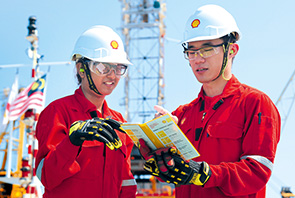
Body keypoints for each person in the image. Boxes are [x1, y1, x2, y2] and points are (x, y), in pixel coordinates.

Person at [139, 4, 281, 198]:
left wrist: (205, 174)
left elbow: (256, 172)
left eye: (206, 49)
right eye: (192, 51)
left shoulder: (256, 104)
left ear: (232, 50)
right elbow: (173, 175)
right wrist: (156, 147)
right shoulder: (181, 116)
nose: (197, 59)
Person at [35, 25, 137, 198]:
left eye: (118, 68)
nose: (112, 76)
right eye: (104, 68)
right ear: (81, 69)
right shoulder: (58, 113)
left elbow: (125, 182)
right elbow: (46, 177)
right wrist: (72, 142)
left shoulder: (119, 122)